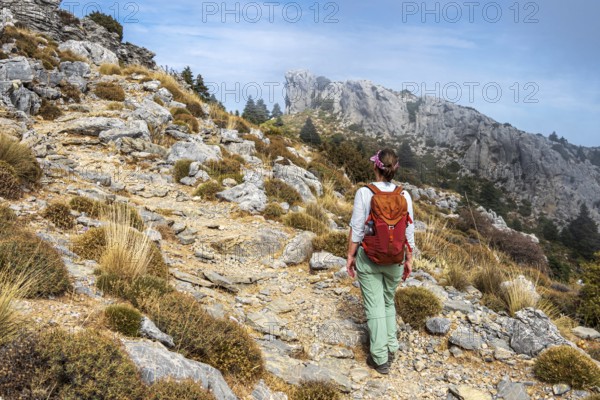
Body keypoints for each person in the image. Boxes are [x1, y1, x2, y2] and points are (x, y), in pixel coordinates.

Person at [346, 148, 415, 375]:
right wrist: (409, 257)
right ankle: (391, 347)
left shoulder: (365, 193)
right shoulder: (404, 195)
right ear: (394, 170)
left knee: (374, 304)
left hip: (371, 256)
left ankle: (380, 358)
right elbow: (409, 229)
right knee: (387, 301)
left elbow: (357, 229)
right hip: (396, 257)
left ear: (376, 167)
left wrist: (350, 255)